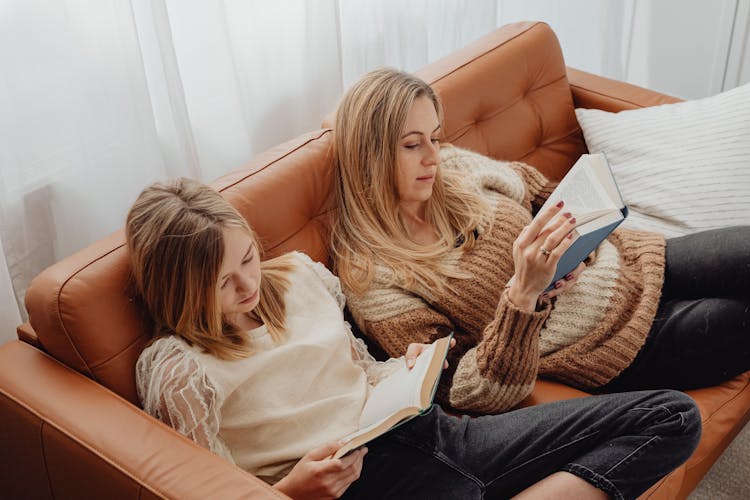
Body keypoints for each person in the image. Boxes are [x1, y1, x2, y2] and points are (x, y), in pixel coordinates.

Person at [129, 178, 699, 499]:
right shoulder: (178, 368)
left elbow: (358, 372)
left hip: (432, 434)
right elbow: (207, 492)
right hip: (360, 490)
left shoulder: (300, 276)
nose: (248, 283)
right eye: (222, 283)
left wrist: (403, 371)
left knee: (672, 418)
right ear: (176, 291)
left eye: (248, 257)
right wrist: (292, 492)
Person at [330, 67, 750, 415]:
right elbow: (467, 387)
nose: (433, 157)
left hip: (635, 262)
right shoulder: (372, 279)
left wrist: (578, 240)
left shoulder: (454, 169)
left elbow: (537, 190)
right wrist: (523, 293)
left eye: (435, 137)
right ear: (370, 155)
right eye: (411, 145)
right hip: (610, 345)